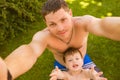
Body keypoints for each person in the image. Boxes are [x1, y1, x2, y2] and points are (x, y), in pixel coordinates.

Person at [0, 0, 120, 80]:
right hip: (61, 67)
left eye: (63, 20)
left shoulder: (83, 23)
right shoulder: (43, 36)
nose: (60, 28)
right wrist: (7, 72)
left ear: (70, 13)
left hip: (82, 60)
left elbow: (103, 25)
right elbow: (30, 50)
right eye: (52, 24)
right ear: (45, 23)